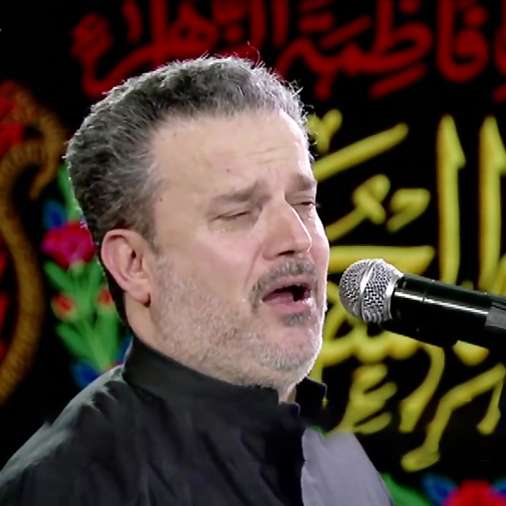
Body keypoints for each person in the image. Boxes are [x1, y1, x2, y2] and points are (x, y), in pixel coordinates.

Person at [0, 56, 392, 505]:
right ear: (134, 263)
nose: (298, 239)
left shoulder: (339, 458)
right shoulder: (66, 489)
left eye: (304, 203)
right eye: (240, 212)